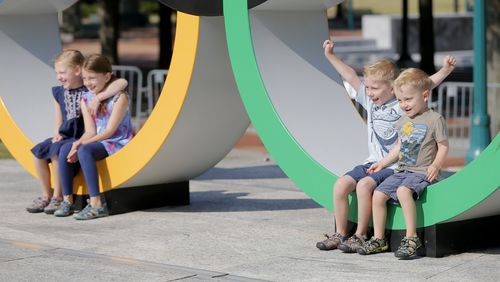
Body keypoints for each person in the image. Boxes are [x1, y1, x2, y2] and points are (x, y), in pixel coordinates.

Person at [316, 39, 456, 253]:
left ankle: (360, 235)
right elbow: (350, 76)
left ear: (392, 89)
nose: (369, 92)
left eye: (374, 88)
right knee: (340, 185)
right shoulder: (371, 102)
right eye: (368, 87)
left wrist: (445, 70)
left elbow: (424, 85)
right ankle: (341, 233)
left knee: (364, 186)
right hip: (374, 161)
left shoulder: (402, 105)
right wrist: (330, 56)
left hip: (394, 166)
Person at [357, 68, 449, 259]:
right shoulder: (403, 120)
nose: (403, 104)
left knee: (402, 191)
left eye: (408, 99)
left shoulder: (434, 119)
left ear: (425, 95)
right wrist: (382, 163)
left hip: (422, 172)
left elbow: (443, 146)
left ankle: (411, 237)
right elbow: (398, 148)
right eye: (399, 100)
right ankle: (379, 239)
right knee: (379, 194)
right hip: (402, 170)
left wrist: (436, 165)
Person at [27, 50, 128, 214]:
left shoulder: (89, 90)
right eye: (57, 73)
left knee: (59, 151)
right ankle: (48, 195)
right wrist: (57, 133)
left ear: (77, 70)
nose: (59, 76)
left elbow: (122, 82)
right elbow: (58, 120)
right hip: (72, 135)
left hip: (87, 136)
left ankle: (59, 197)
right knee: (38, 152)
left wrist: (98, 98)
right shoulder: (69, 93)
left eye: (62, 72)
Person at [54, 54, 134, 220]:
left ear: (106, 76)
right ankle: (68, 199)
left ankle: (97, 204)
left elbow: (110, 131)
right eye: (85, 78)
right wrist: (77, 143)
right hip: (98, 140)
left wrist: (81, 146)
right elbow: (90, 131)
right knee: (65, 148)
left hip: (117, 141)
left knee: (84, 150)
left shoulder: (120, 97)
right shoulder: (86, 98)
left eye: (92, 78)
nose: (88, 83)